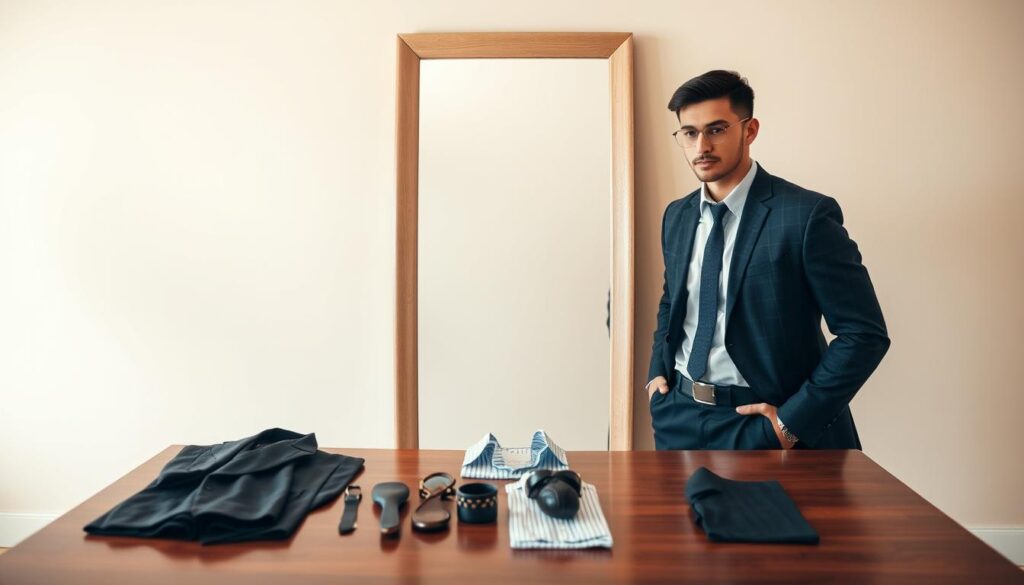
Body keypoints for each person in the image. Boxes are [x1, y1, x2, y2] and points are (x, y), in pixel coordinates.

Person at [647, 70, 890, 450]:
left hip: (765, 424)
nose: (701, 147)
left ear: (750, 130)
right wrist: (657, 374)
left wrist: (791, 423)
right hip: (678, 417)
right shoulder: (676, 216)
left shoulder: (805, 216)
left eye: (716, 129)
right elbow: (674, 301)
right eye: (689, 133)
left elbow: (864, 334)